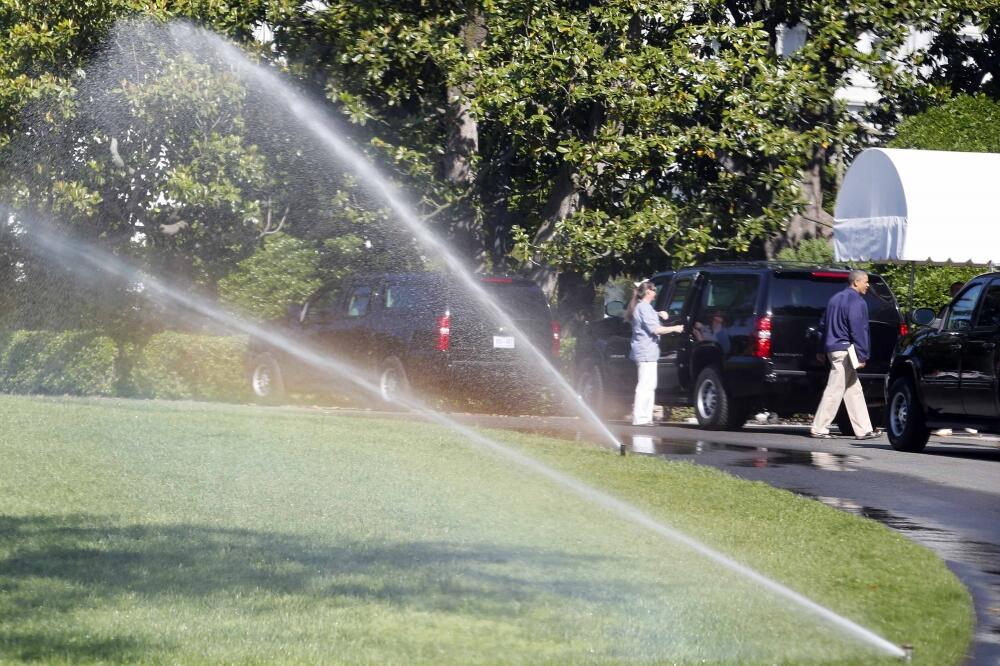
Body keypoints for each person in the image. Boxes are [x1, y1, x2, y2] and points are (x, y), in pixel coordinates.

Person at [810, 269, 880, 440]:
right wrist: (862, 355)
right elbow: (859, 329)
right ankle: (819, 428)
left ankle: (864, 430)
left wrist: (820, 349)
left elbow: (823, 325)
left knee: (853, 389)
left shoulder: (835, 299)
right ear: (856, 282)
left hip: (832, 349)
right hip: (844, 351)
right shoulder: (857, 301)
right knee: (835, 389)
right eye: (865, 281)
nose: (867, 285)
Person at [625, 280, 683, 426]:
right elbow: (656, 329)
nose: (656, 293)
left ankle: (645, 417)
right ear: (648, 292)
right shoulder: (644, 308)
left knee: (649, 385)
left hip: (647, 352)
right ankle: (640, 418)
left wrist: (659, 313)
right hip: (645, 352)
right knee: (645, 386)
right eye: (654, 290)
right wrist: (675, 328)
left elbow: (648, 316)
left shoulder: (644, 307)